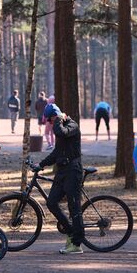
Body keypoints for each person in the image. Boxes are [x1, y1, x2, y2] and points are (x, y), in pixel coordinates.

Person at [32, 104, 84, 255]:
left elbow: (60, 131)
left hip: (73, 171)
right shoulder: (60, 126)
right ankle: (70, 231)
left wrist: (58, 120)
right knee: (51, 202)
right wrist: (40, 165)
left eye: (51, 119)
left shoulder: (71, 125)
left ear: (56, 116)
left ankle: (76, 244)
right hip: (62, 171)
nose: (50, 123)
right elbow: (56, 152)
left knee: (74, 207)